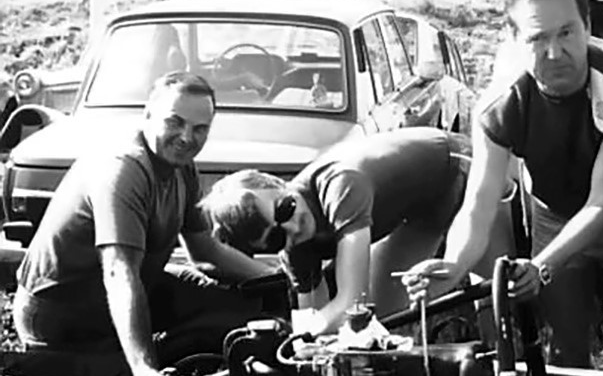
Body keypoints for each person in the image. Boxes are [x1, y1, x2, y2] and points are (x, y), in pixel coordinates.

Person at [403, 0, 603, 375]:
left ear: (587, 27)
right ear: (515, 41)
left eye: (567, 33)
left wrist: (541, 265)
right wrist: (453, 266)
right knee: (566, 352)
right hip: (554, 214)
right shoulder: (500, 106)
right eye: (538, 38)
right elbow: (479, 204)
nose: (555, 52)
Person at [12, 72, 274, 376]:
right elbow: (119, 272)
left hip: (129, 287)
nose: (186, 137)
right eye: (175, 122)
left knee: (239, 313)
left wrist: (276, 280)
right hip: (64, 312)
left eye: (199, 129)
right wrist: (143, 367)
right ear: (148, 115)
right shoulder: (124, 169)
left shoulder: (182, 166)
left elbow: (206, 251)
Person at [199, 127, 514, 336]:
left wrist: (305, 334)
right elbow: (316, 319)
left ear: (278, 183)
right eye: (277, 238)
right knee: (386, 320)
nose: (293, 227)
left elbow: (352, 300)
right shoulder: (295, 247)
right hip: (420, 209)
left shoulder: (342, 185)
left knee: (501, 299)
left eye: (284, 209)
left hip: (460, 169)